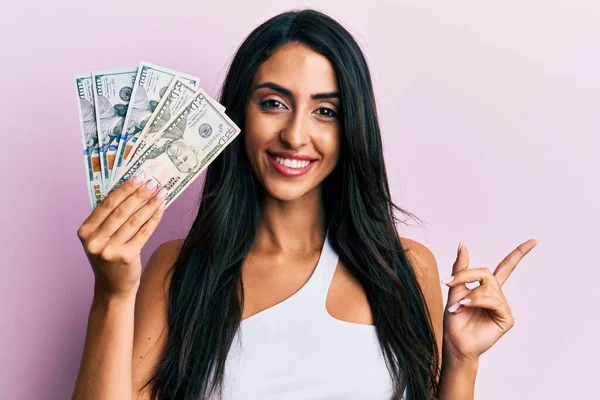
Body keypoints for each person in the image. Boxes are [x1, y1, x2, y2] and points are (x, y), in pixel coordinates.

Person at [72, 9, 537, 400]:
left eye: (325, 111)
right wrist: (111, 294)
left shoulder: (407, 269)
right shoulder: (179, 269)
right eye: (273, 103)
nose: (295, 135)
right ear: (237, 114)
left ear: (351, 126)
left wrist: (462, 362)